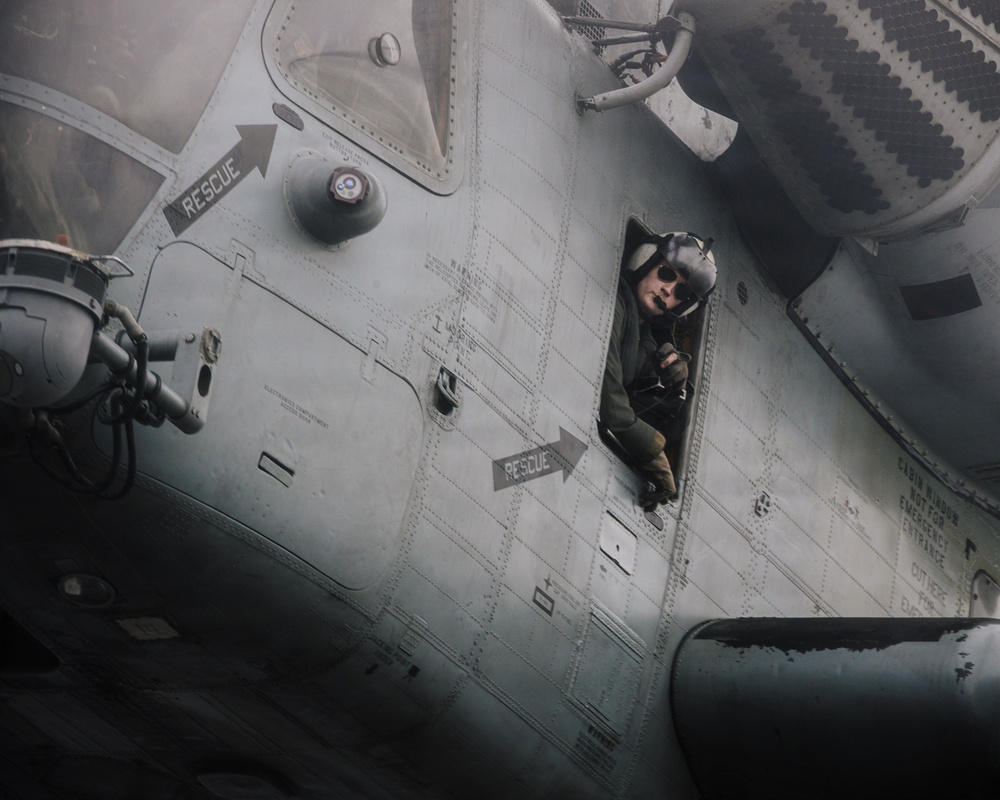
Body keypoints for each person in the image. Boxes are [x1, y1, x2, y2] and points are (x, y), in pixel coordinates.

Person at [600, 232, 717, 510]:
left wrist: (677, 387)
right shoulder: (615, 304)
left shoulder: (644, 338)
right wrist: (651, 451)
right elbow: (607, 389)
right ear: (646, 262)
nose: (668, 290)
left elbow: (664, 422)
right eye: (666, 273)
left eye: (681, 292)